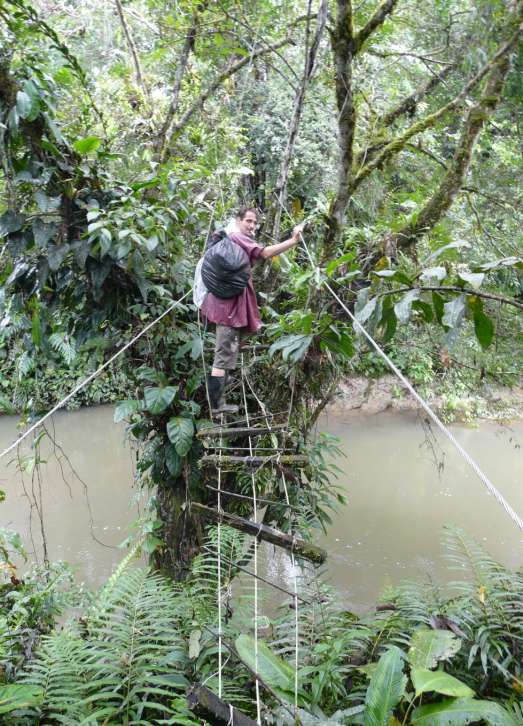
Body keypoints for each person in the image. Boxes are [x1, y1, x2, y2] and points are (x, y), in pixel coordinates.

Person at [201, 206, 304, 414]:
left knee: (229, 349)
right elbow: (264, 253)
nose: (252, 226)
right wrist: (293, 241)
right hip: (228, 310)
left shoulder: (231, 239)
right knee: (222, 356)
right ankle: (217, 406)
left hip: (228, 306)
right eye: (248, 221)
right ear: (238, 220)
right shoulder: (237, 237)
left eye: (255, 223)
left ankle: (222, 391)